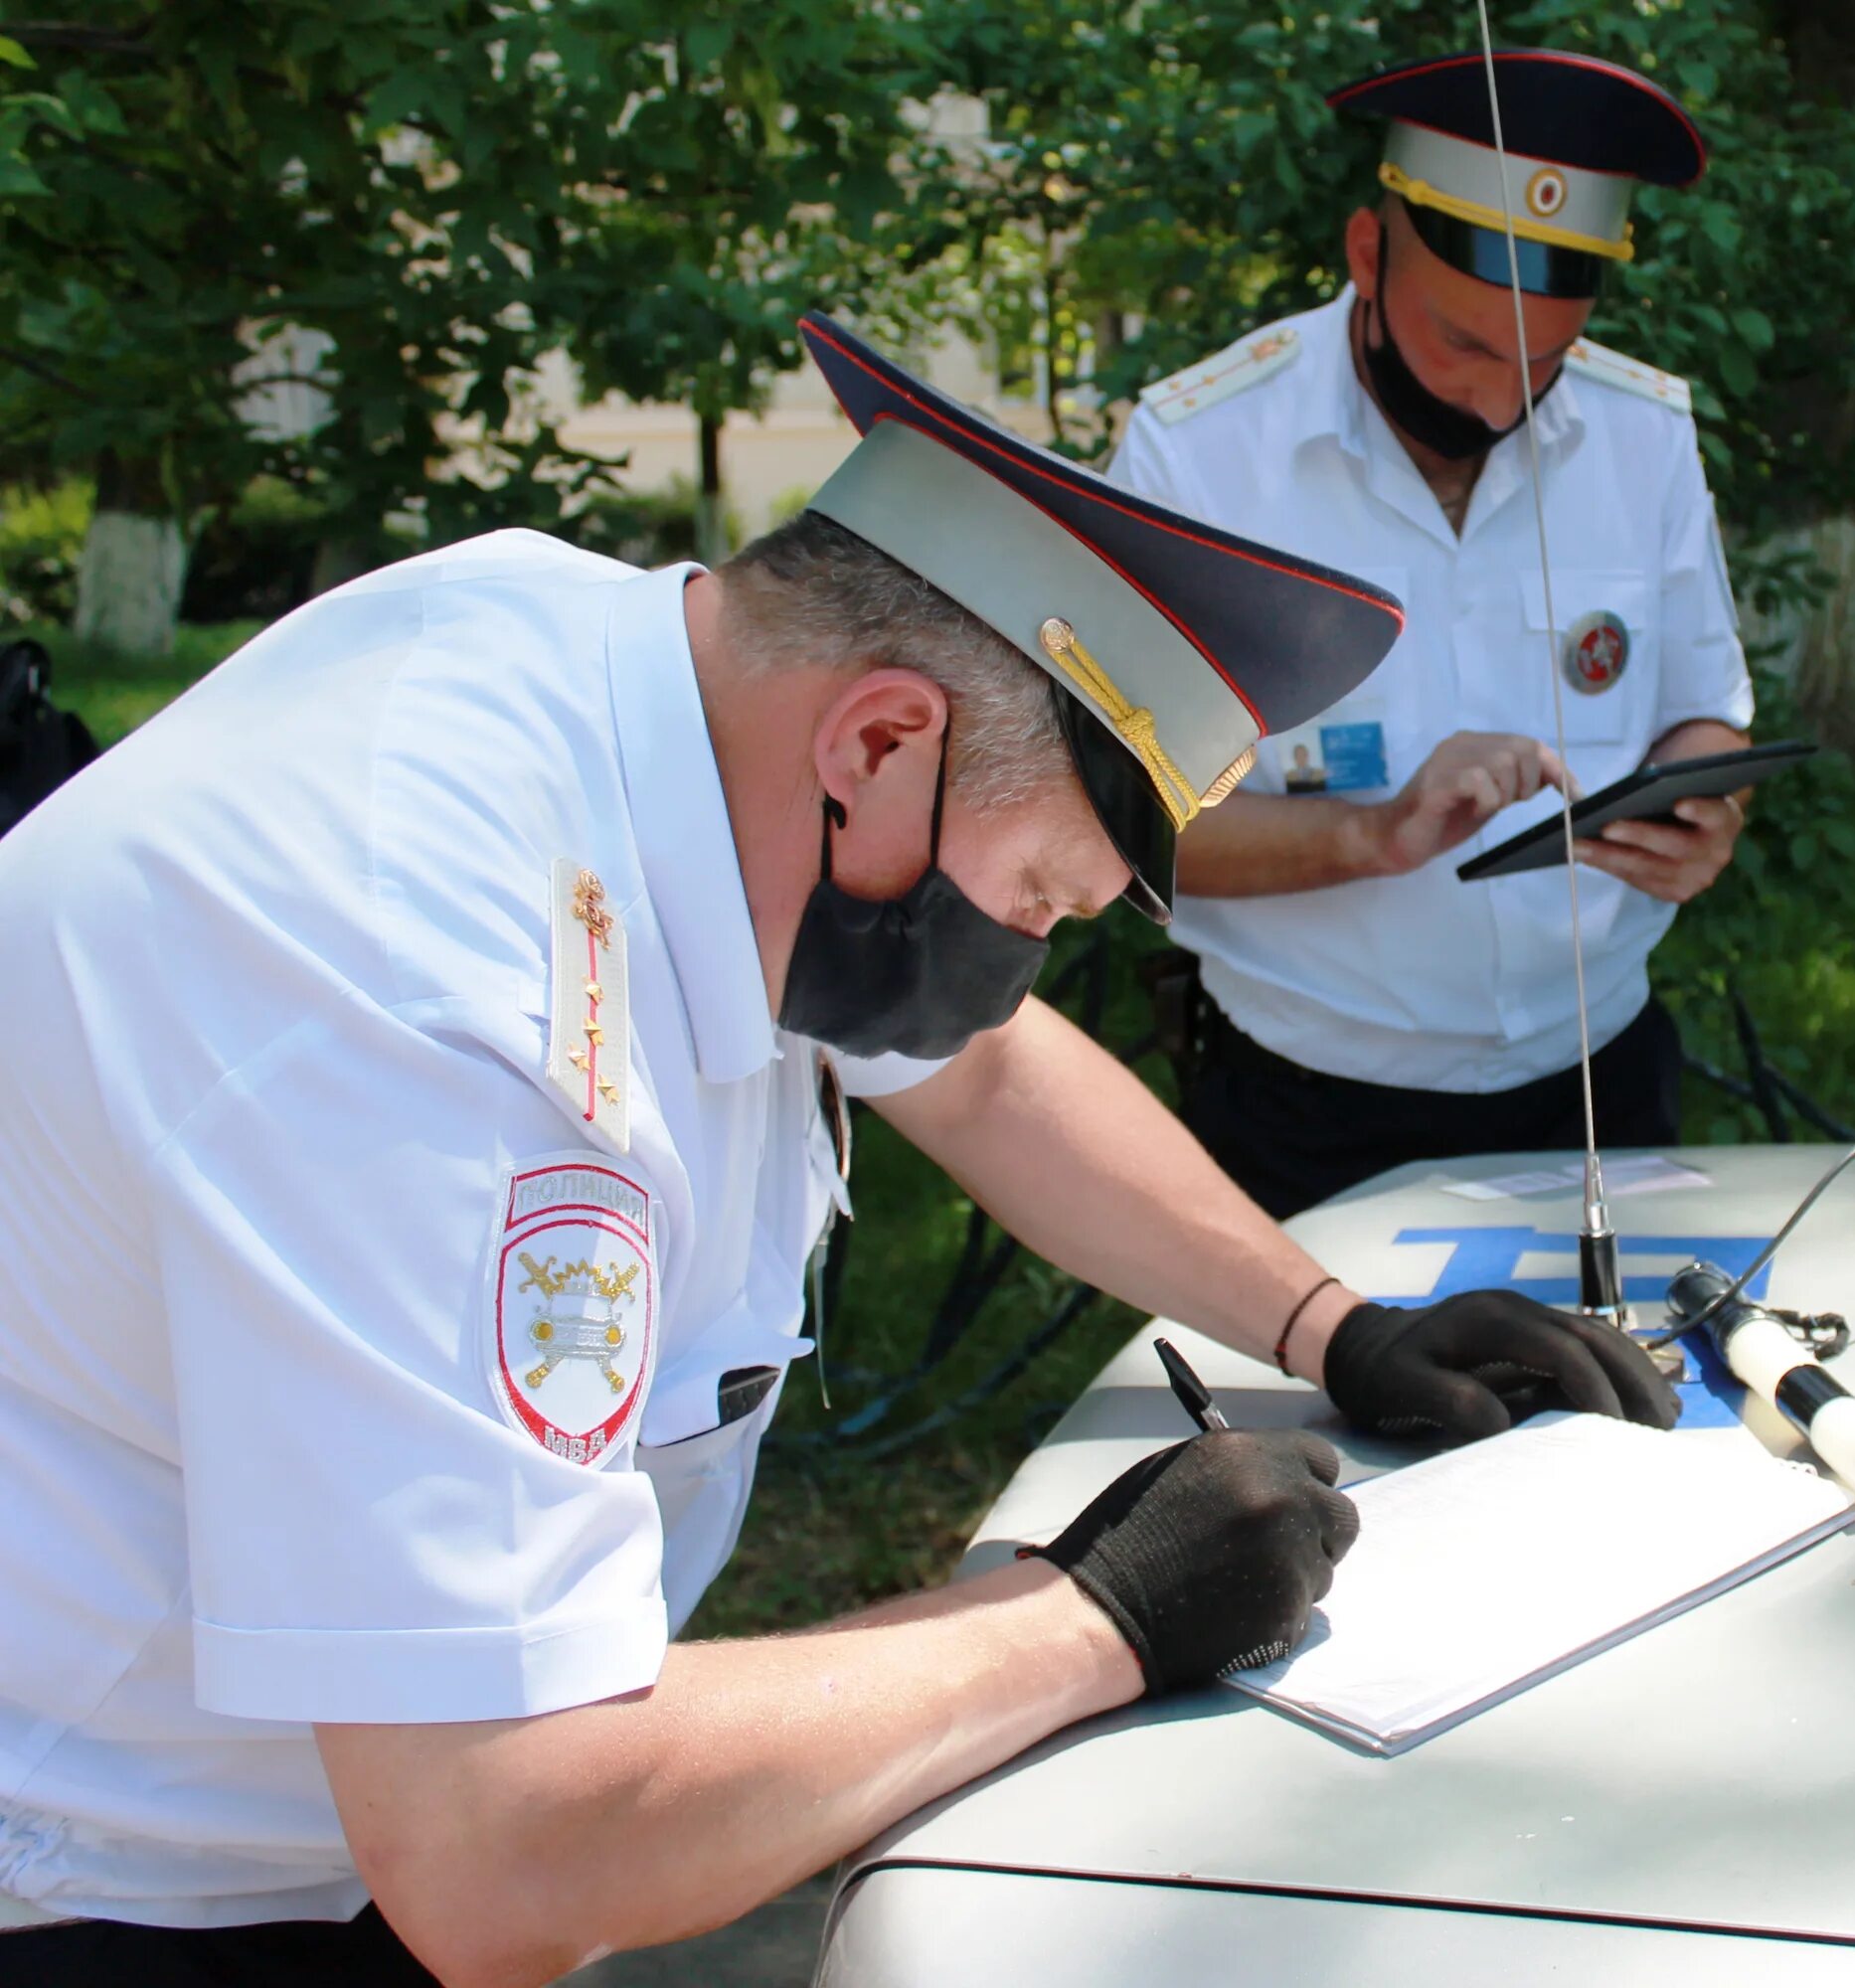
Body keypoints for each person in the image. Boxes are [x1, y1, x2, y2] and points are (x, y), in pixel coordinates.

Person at [0, 318, 1677, 1986]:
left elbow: (983, 1073)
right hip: (131, 1887)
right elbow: (505, 1841)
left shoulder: (676, 694)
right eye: (1031, 907)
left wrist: (1332, 1324)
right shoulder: (418, 987)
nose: (1011, 971)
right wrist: (1091, 1619)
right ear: (878, 742)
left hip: (339, 1809)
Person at [1107, 50, 1758, 1218]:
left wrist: (1704, 813)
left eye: (1544, 361)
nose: (1502, 404)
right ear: (1368, 253)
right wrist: (1372, 834)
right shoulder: (1199, 455)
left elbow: (1702, 708)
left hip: (1600, 1079)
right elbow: (1124, 821)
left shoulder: (1641, 434)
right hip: (1308, 1102)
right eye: (1463, 344)